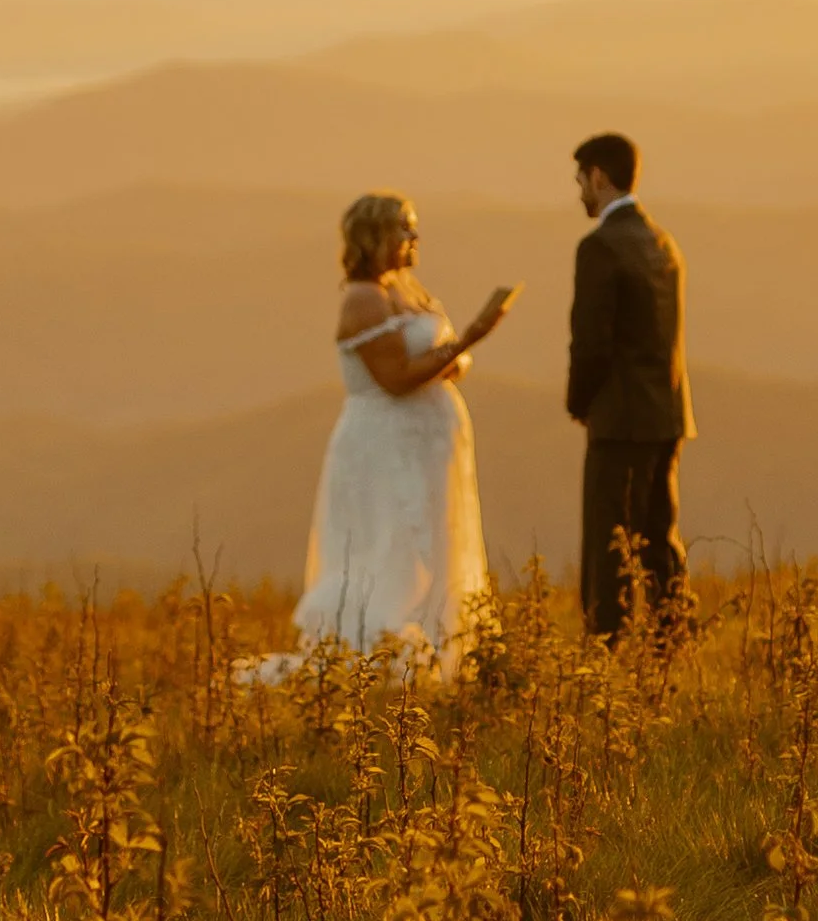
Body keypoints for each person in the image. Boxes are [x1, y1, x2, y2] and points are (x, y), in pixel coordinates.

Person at [272, 192, 516, 676]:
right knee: (390, 543)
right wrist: (470, 336)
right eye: (404, 228)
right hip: (384, 443)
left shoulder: (406, 289)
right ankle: (380, 654)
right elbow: (397, 377)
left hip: (426, 443)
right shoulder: (364, 298)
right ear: (375, 237)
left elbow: (438, 362)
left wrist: (455, 355)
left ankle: (438, 647)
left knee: (429, 540)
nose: (413, 237)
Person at [565, 134, 692, 641]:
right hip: (667, 415)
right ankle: (670, 639)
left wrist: (578, 401)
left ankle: (607, 647)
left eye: (580, 181)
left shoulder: (599, 248)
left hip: (618, 419)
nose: (578, 193)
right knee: (659, 536)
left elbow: (591, 342)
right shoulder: (663, 241)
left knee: (608, 543)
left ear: (599, 176)